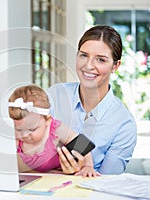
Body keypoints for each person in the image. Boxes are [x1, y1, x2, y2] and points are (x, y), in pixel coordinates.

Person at [47, 25, 137, 175]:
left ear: (115, 66)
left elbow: (107, 185)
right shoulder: (54, 96)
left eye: (100, 60)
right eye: (83, 55)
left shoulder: (123, 124)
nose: (88, 66)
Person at [8, 84, 100, 177]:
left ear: (48, 120)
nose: (24, 134)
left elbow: (82, 143)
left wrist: (87, 166)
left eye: (32, 129)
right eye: (19, 129)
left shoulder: (56, 129)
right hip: (34, 177)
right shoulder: (16, 139)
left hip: (62, 175)